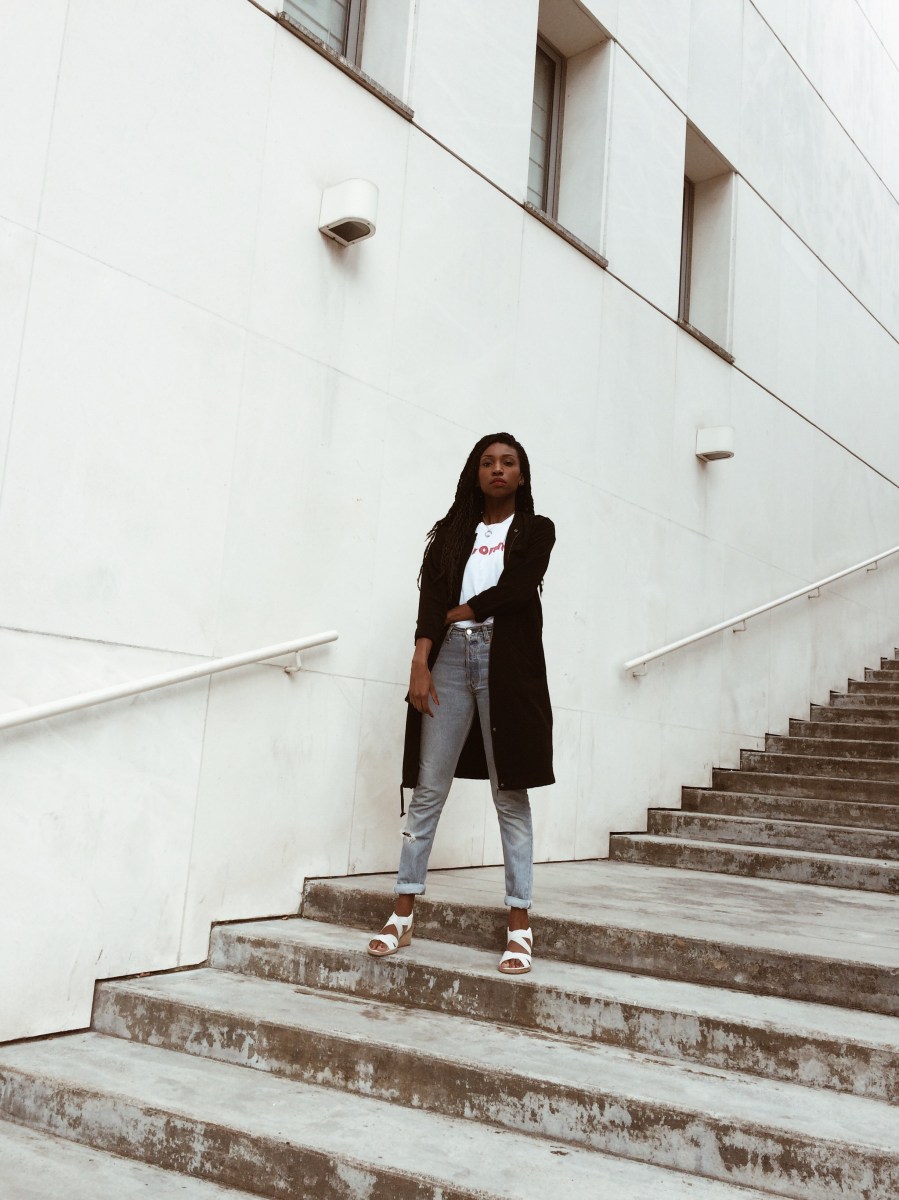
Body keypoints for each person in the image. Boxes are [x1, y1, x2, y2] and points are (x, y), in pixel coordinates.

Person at [368, 432, 555, 974]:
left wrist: (465, 609)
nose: (498, 469)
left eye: (508, 462)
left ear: (521, 475)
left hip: (505, 662)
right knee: (428, 789)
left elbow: (519, 587)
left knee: (509, 793)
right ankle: (402, 913)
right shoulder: (452, 533)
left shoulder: (536, 530)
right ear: (476, 472)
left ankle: (519, 924)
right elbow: (431, 599)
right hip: (450, 658)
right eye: (488, 462)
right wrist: (420, 659)